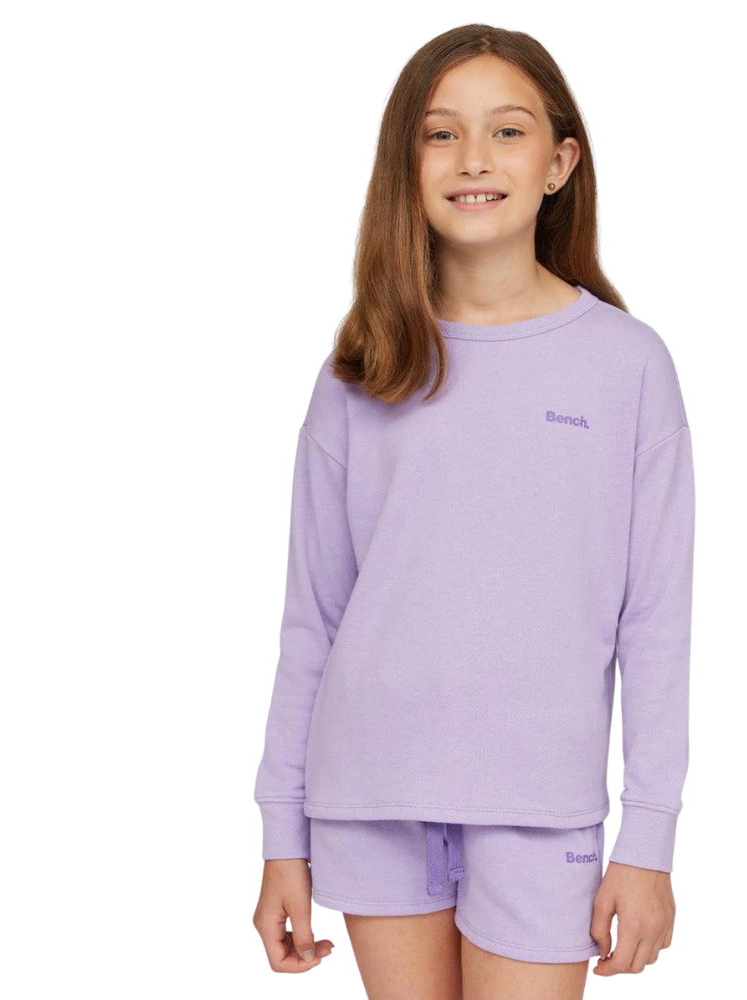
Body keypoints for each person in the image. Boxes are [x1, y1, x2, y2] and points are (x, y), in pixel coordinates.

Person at [251, 23, 695, 1000]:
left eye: (507, 131)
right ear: (405, 164)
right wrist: (282, 833)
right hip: (370, 796)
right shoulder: (360, 372)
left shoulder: (626, 365)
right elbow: (313, 618)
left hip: (543, 806)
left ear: (558, 163)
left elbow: (656, 623)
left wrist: (649, 839)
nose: (474, 159)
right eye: (441, 133)